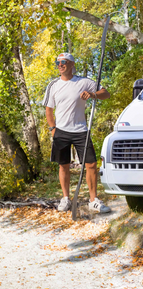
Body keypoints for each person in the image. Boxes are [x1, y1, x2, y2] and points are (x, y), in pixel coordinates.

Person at [43, 52, 111, 213]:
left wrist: (93, 94)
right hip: (61, 131)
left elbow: (106, 94)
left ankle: (93, 200)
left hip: (81, 130)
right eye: (57, 62)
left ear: (72, 64)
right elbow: (48, 109)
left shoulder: (84, 82)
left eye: (64, 62)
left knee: (92, 165)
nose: (60, 64)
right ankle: (66, 199)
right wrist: (53, 129)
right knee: (63, 166)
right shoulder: (53, 85)